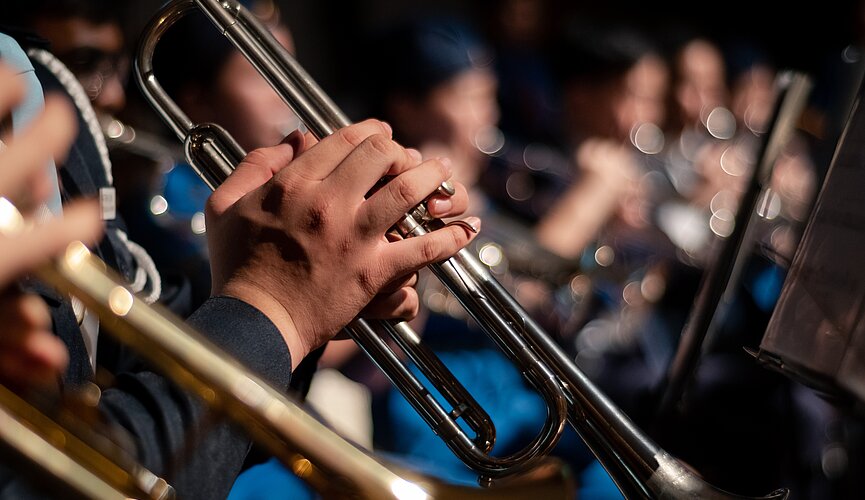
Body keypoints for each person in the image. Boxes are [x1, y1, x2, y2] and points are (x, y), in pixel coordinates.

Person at [0, 19, 479, 499]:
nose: (282, 98)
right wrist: (273, 305)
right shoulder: (161, 189)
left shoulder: (35, 73)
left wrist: (328, 281)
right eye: (259, 74)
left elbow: (130, 353)